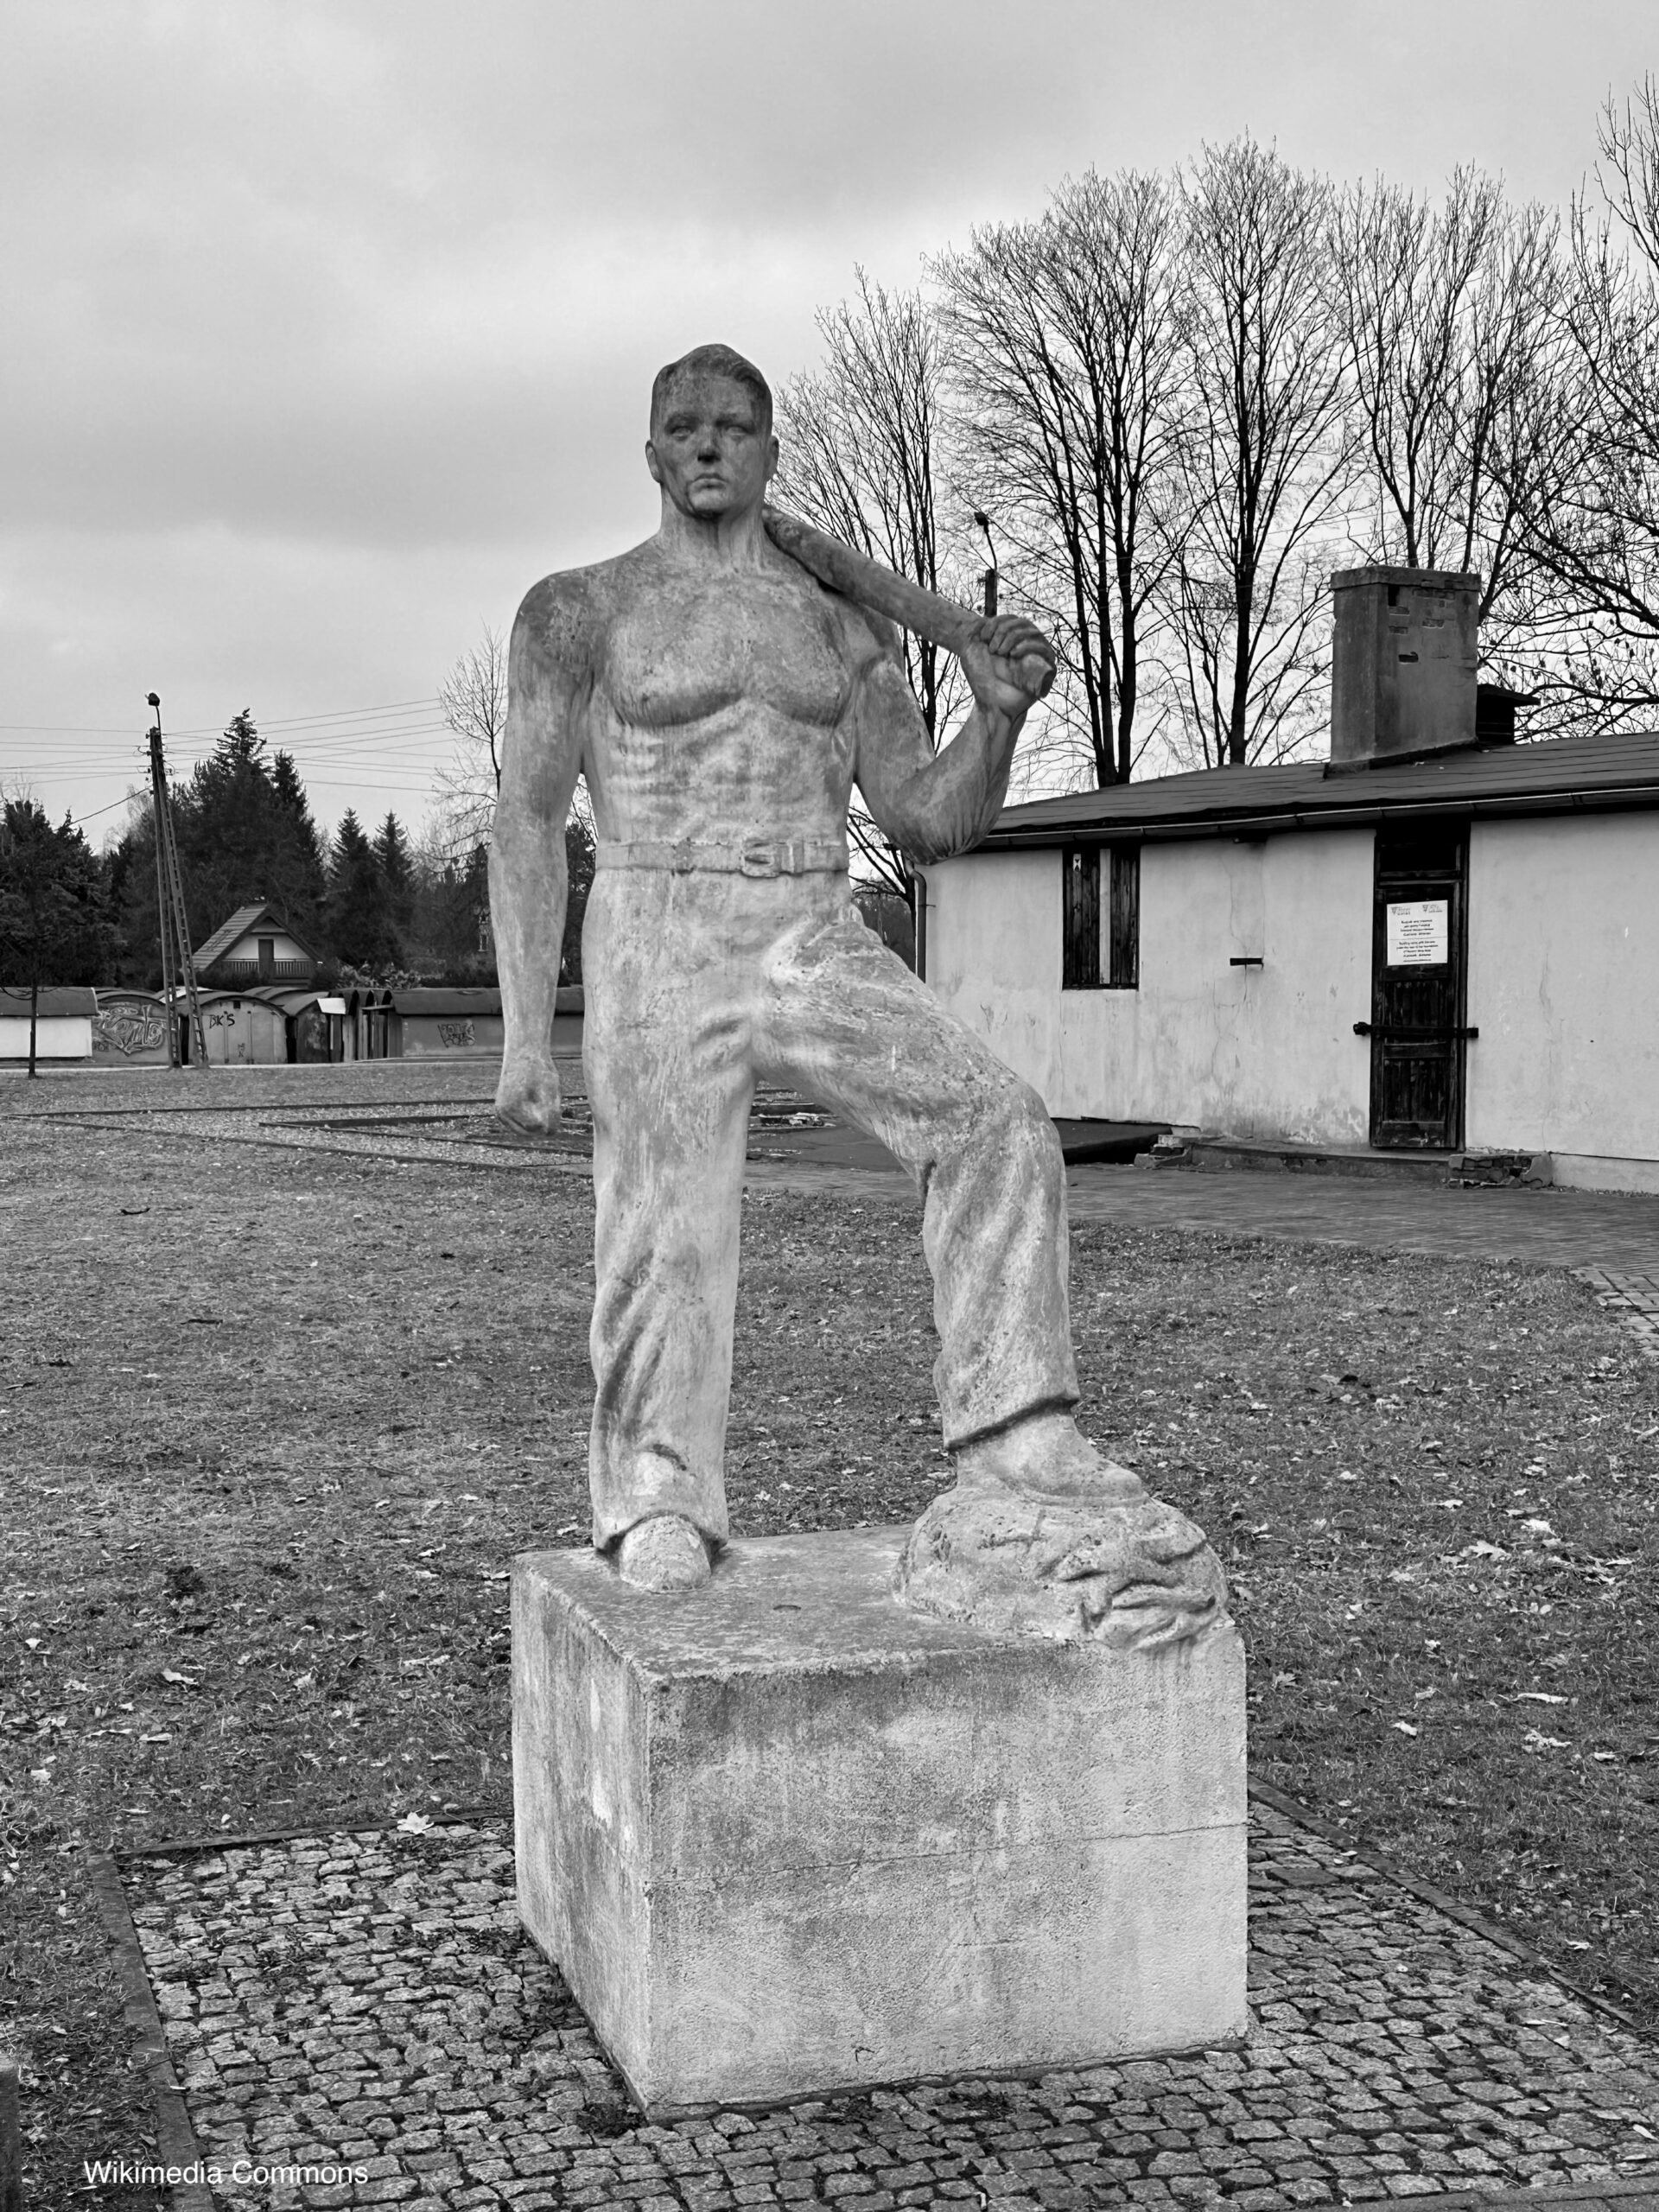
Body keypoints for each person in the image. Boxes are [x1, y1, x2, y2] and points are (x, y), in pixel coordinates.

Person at [490, 342, 1222, 1643]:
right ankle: (660, 1496)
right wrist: (525, 1037)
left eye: (735, 427)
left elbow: (927, 818)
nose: (709, 446)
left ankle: (1017, 1435)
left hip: (810, 917)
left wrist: (994, 720)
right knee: (666, 1225)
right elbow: (529, 821)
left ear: (772, 452)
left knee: (996, 1120)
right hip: (659, 918)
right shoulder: (579, 610)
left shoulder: (841, 619)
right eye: (684, 428)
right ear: (651, 452)